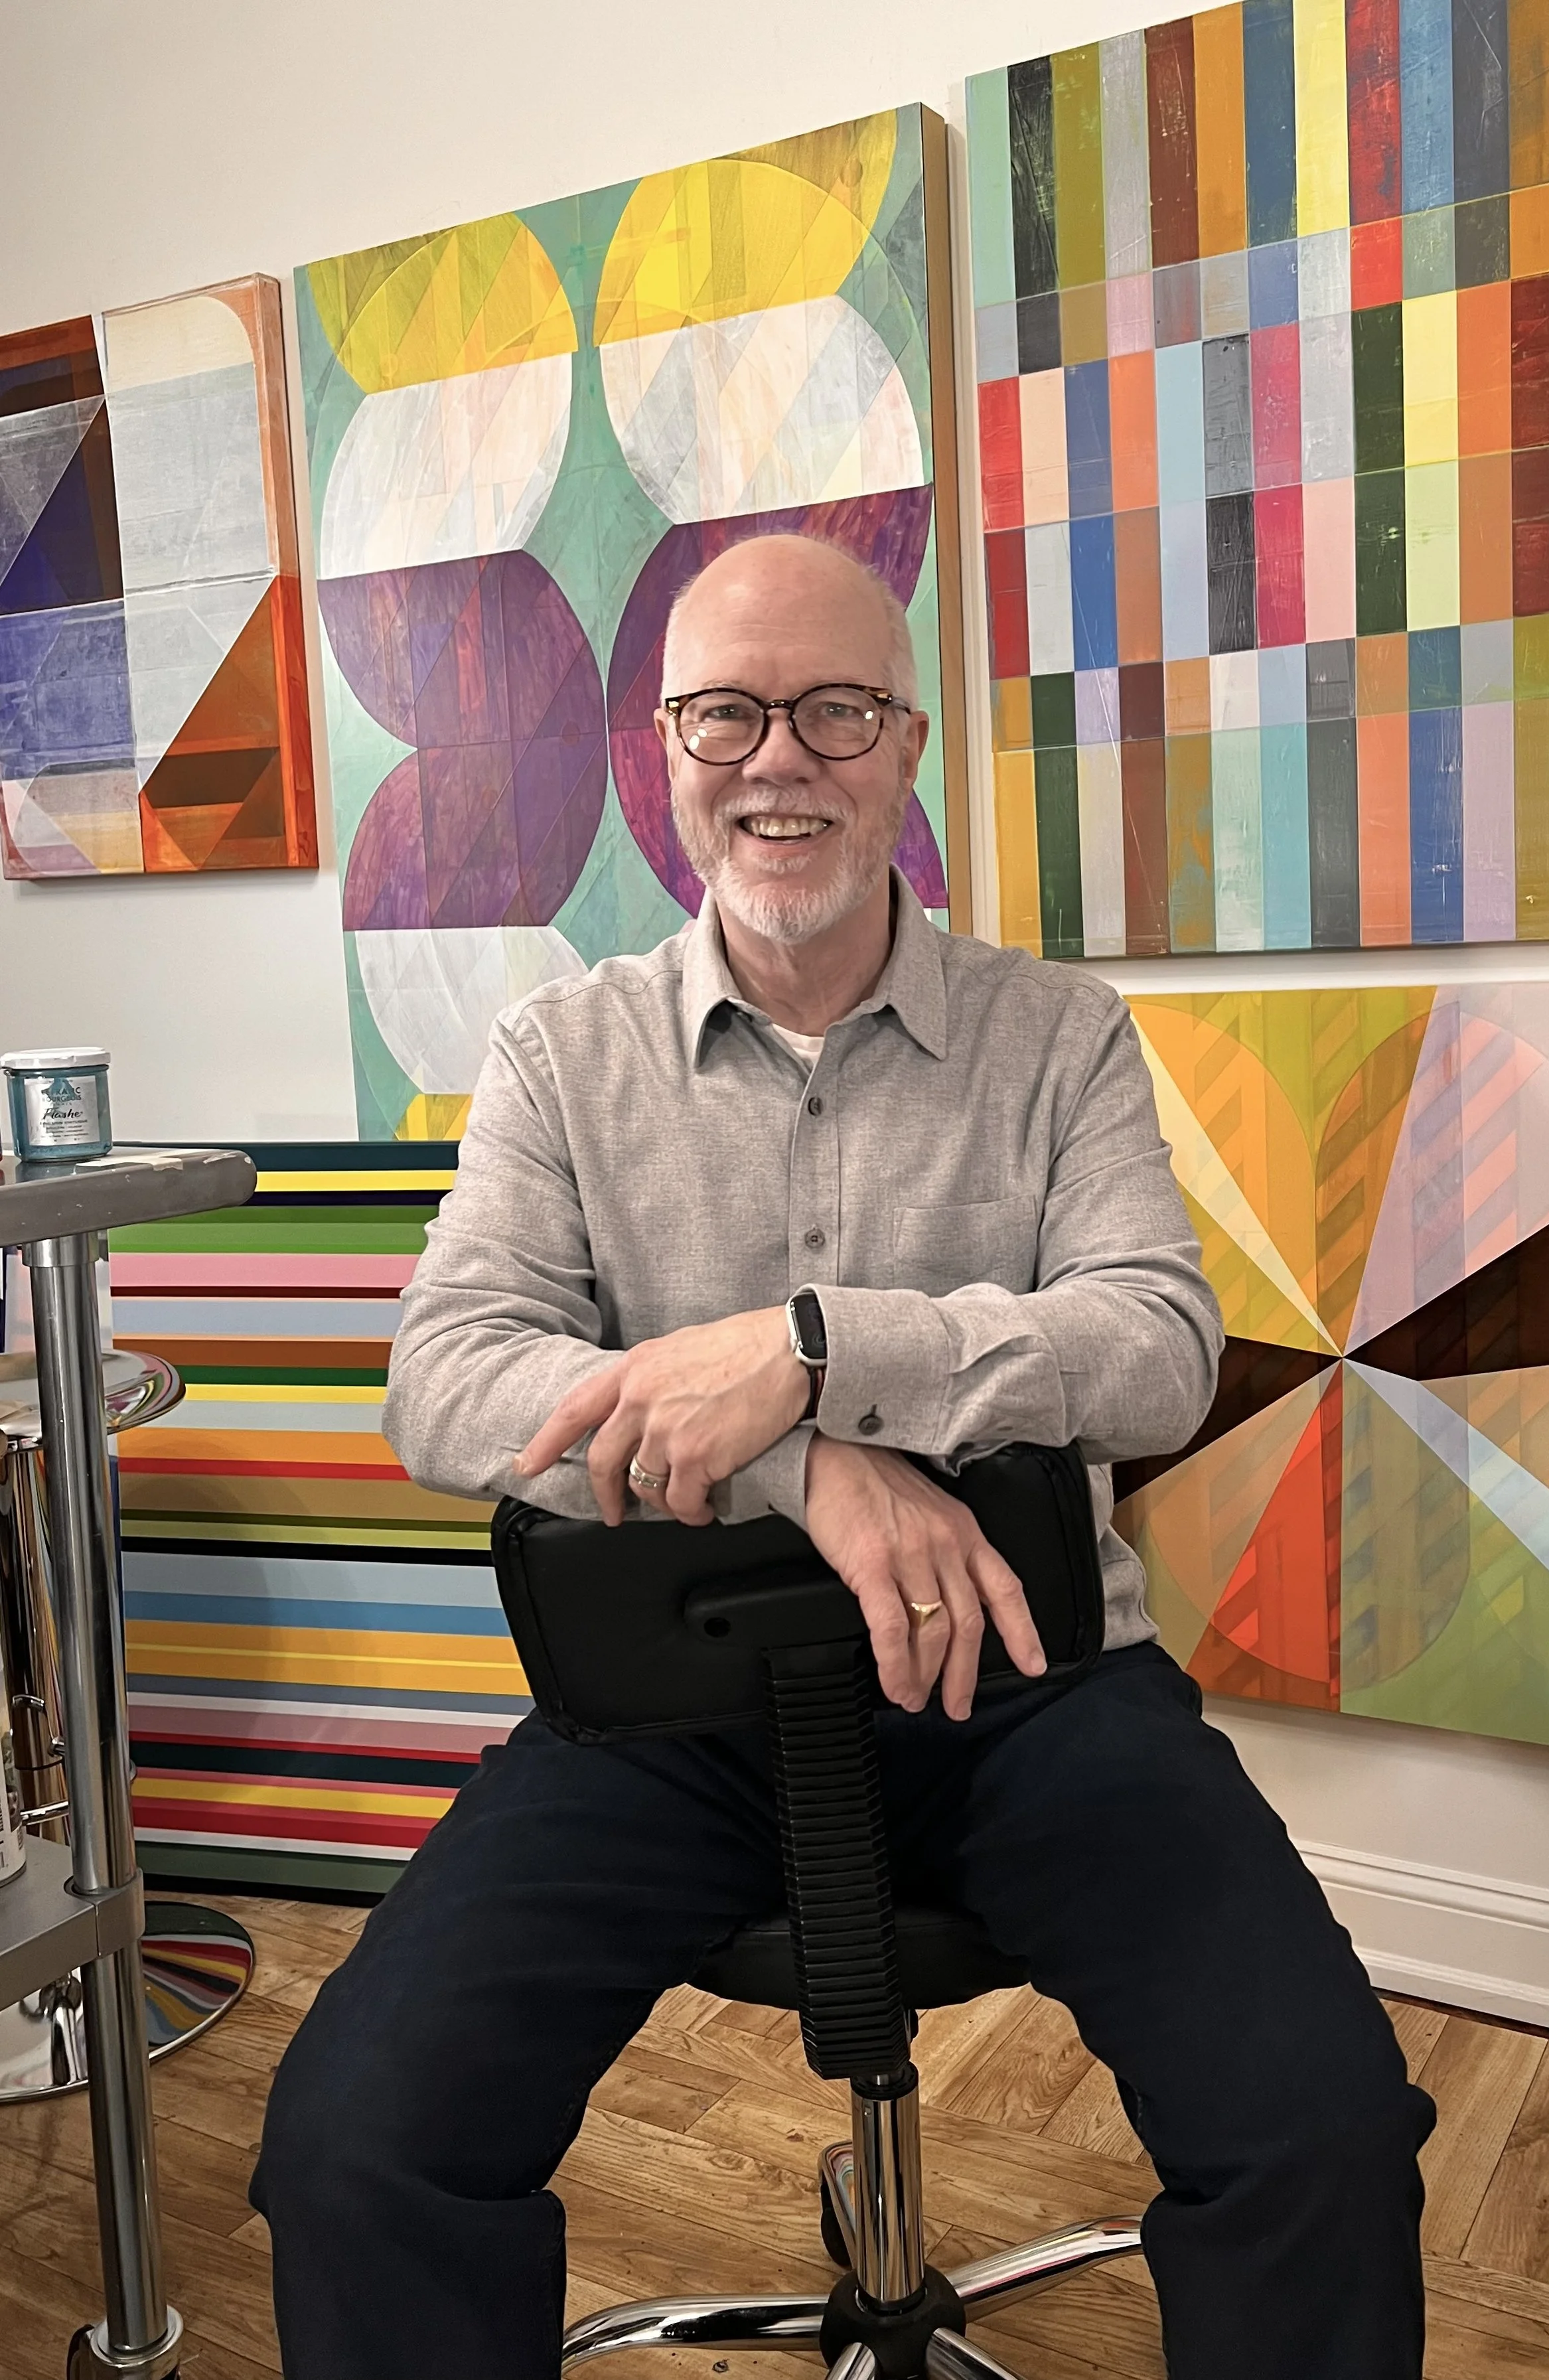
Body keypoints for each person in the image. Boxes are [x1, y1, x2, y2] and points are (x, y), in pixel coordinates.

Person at [252, 534, 1434, 2378]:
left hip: (1036, 1693)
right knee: (354, 2147)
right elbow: (444, 1380)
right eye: (726, 710)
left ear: (903, 749)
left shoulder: (1058, 1037)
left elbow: (1155, 1354)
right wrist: (798, 1469)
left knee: (1323, 2133)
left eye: (836, 710)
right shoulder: (562, 1055)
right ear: (663, 753)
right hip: (663, 1716)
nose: (776, 756)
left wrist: (816, 1359)